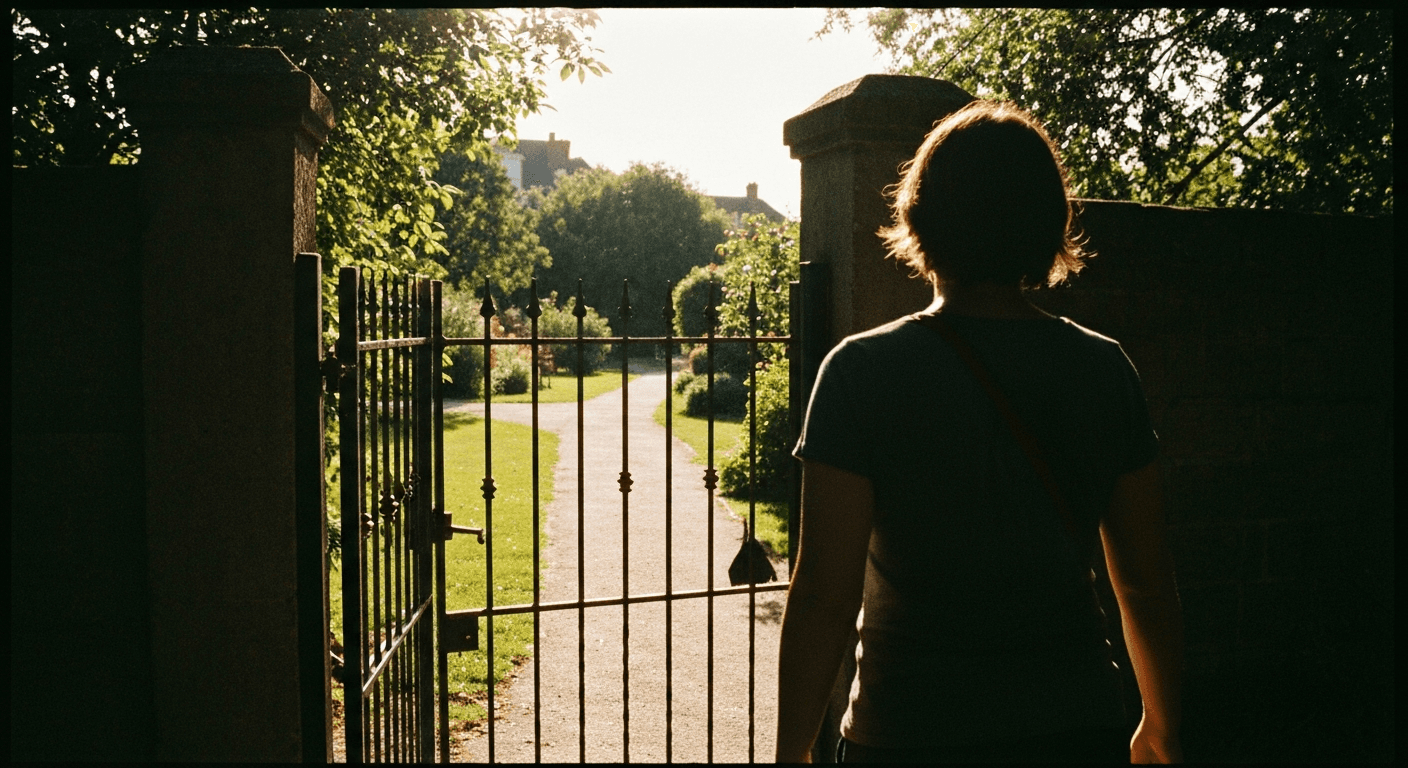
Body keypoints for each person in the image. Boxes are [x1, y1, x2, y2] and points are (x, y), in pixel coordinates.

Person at [775, 101, 1184, 763]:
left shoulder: (860, 372)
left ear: (921, 217)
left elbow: (825, 591)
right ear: (1047, 223)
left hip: (908, 730)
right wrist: (1163, 726)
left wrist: (790, 752)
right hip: (1072, 724)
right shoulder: (1104, 370)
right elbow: (1144, 579)